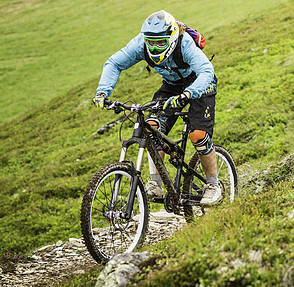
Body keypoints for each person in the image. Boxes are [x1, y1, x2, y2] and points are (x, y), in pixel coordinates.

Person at [92, 10, 221, 206]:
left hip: (200, 84)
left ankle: (213, 185)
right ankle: (156, 183)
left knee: (198, 135)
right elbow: (114, 63)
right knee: (151, 127)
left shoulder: (184, 43)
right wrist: (103, 92)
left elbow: (206, 71)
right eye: (150, 42)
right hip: (171, 86)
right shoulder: (140, 44)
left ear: (170, 37)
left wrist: (188, 93)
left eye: (160, 42)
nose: (154, 46)